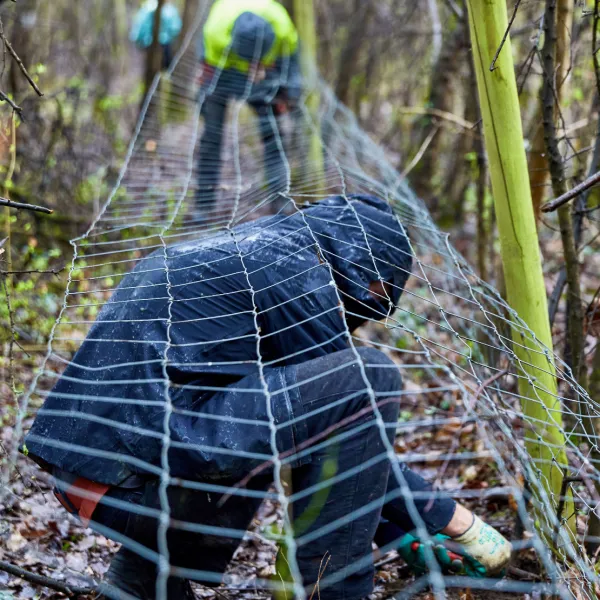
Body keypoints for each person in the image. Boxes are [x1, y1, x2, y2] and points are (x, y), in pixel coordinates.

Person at [22, 195, 511, 600]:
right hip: (130, 485)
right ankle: (336, 593)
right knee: (371, 378)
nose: (365, 314)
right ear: (368, 272)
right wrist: (457, 522)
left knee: (278, 406)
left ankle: (141, 581)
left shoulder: (253, 251)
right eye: (375, 298)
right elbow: (351, 417)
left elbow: (338, 448)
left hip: (95, 477)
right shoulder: (298, 274)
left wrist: (401, 532)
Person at [196, 0, 302, 213]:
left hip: (265, 74)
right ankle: (203, 204)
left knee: (273, 133)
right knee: (211, 136)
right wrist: (203, 96)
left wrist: (289, 93)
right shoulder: (215, 33)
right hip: (223, 71)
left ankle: (280, 200)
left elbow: (292, 62)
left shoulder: (282, 25)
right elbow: (206, 67)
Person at [130, 0, 183, 70]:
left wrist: (138, 40)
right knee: (165, 68)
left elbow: (139, 27)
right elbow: (175, 28)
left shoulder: (146, 8)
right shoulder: (169, 9)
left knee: (150, 68)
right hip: (164, 43)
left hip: (148, 43)